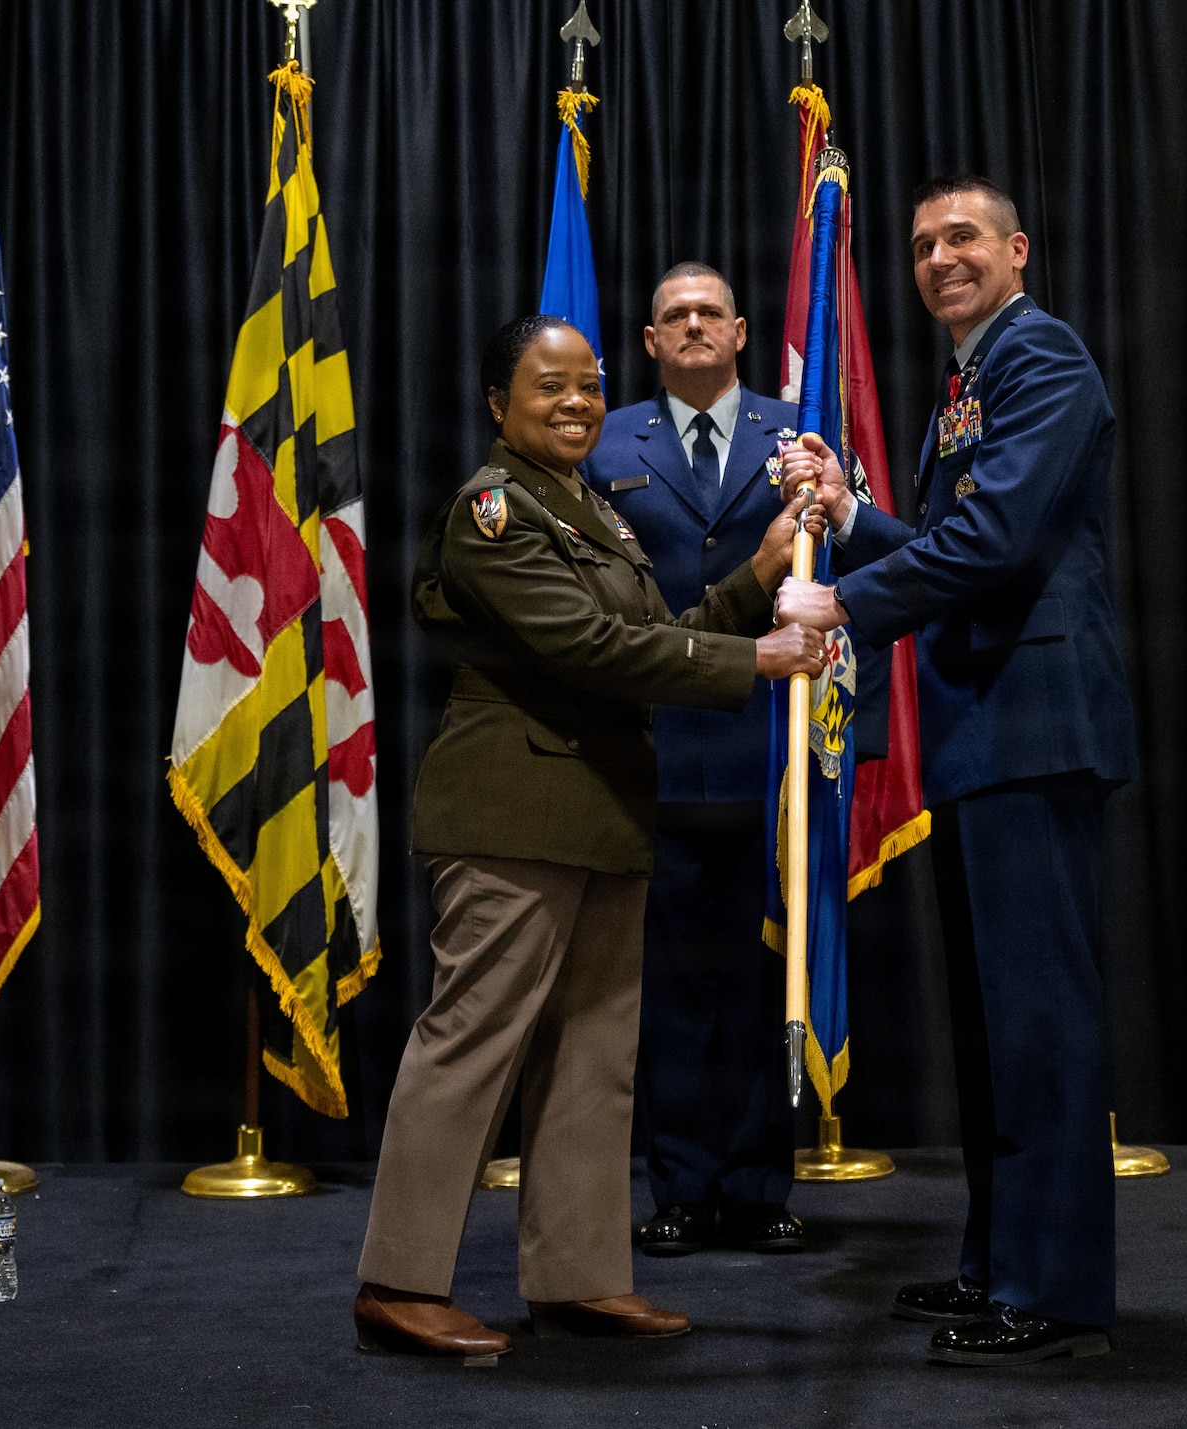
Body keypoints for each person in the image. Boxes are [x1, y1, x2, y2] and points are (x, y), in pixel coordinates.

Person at [352, 315, 826, 1361]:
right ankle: (396, 1280)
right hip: (511, 812)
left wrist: (754, 576)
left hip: (604, 814)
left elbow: (655, 630)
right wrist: (757, 663)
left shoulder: (593, 513)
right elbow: (585, 646)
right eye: (547, 388)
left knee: (593, 1055)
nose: (574, 404)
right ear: (497, 406)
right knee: (469, 1045)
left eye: (587, 387)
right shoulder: (492, 511)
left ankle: (574, 1279)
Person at [776, 175, 1137, 1367]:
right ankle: (999, 1263)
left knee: (1041, 1025)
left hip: (1036, 726)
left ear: (1017, 250)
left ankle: (1057, 1284)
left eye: (963, 237)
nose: (939, 258)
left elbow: (997, 541)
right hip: (985, 728)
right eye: (925, 243)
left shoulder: (1044, 363)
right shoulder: (972, 382)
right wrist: (852, 508)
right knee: (994, 1030)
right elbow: (945, 545)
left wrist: (840, 602)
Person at [581, 262, 810, 1258]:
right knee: (668, 991)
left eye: (707, 312)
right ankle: (677, 1188)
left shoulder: (797, 435)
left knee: (768, 981)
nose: (691, 326)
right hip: (654, 754)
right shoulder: (601, 441)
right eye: (671, 314)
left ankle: (760, 1191)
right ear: (646, 340)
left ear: (741, 330)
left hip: (771, 754)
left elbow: (845, 582)